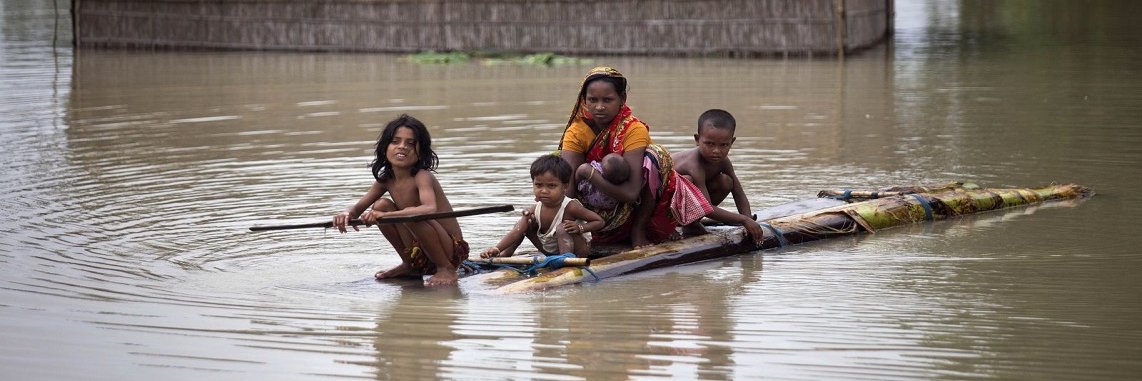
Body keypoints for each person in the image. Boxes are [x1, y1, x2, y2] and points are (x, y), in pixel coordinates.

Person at [331, 114, 468, 287]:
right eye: (395, 142)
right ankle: (411, 265)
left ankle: (445, 268)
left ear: (421, 151)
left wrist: (385, 216)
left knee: (412, 215)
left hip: (451, 251)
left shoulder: (422, 176)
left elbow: (429, 208)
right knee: (381, 205)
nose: (402, 147)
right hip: (421, 249)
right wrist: (346, 214)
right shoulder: (386, 179)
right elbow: (357, 209)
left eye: (410, 143)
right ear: (385, 147)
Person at [558, 66, 679, 247]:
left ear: (622, 99)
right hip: (593, 214)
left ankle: (639, 230)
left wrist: (588, 172)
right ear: (584, 100)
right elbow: (568, 190)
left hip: (632, 205)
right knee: (554, 164)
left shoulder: (633, 129)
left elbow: (631, 193)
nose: (599, 107)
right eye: (592, 100)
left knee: (656, 156)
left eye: (607, 100)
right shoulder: (576, 132)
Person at [481, 155, 604, 258]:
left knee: (562, 228)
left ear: (564, 187)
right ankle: (503, 255)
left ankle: (565, 261)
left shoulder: (571, 206)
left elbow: (599, 221)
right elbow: (516, 232)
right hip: (550, 251)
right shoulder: (534, 209)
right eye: (539, 185)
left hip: (578, 252)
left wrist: (580, 227)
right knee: (524, 223)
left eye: (551, 186)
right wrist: (496, 248)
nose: (544, 191)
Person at [671, 109, 765, 244]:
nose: (716, 151)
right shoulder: (694, 165)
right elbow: (706, 208)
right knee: (687, 181)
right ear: (697, 140)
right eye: (709, 144)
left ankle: (691, 223)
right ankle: (673, 225)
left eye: (723, 145)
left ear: (732, 142)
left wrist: (748, 219)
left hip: (688, 205)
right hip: (660, 206)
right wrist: (742, 220)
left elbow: (738, 193)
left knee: (726, 181)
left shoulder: (724, 161)